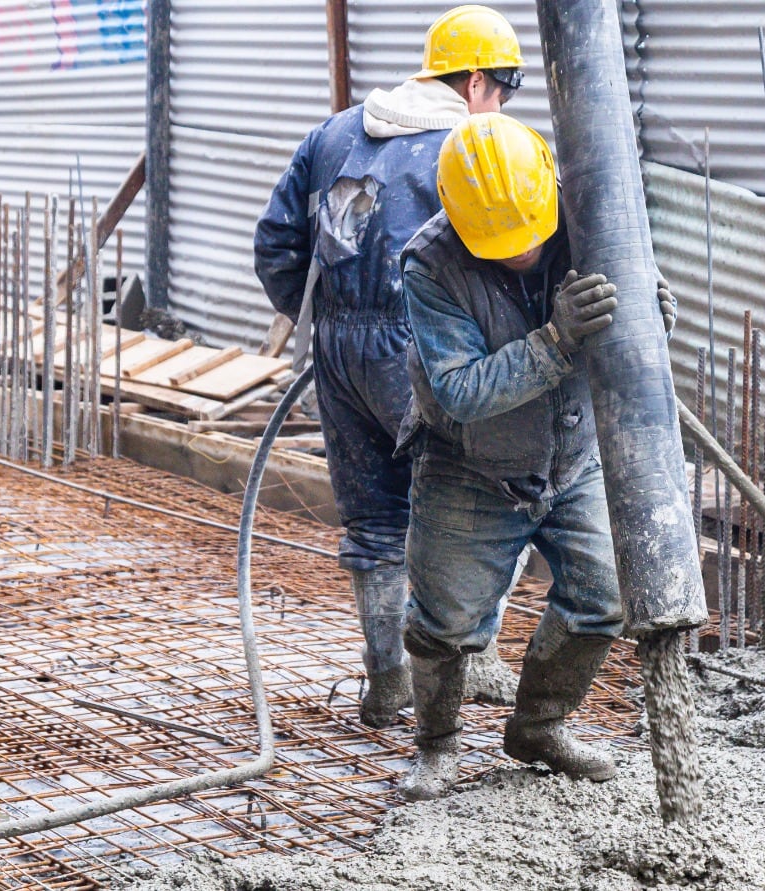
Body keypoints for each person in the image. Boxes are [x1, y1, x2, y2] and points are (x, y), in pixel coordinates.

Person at [254, 6, 529, 727]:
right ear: (475, 80)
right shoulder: (472, 145)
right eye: (501, 90)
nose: (499, 106)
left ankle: (386, 683)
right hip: (425, 350)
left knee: (375, 521)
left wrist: (334, 319)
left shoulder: (335, 133)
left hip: (339, 355)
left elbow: (277, 243)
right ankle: (471, 660)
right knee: (489, 503)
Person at [396, 112, 677, 800]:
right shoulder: (429, 265)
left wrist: (647, 311)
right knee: (446, 620)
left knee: (607, 593)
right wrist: (556, 339)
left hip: (572, 456)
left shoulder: (587, 218)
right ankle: (436, 745)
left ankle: (539, 727)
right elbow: (459, 389)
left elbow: (633, 304)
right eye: (502, 244)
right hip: (471, 465)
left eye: (530, 235)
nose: (522, 252)